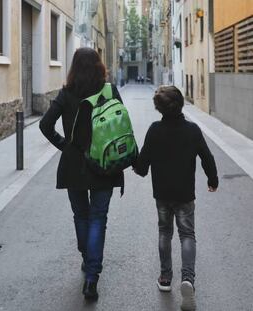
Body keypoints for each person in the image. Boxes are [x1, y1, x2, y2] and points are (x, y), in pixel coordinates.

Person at [39, 47, 124, 301]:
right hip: (104, 163)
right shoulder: (109, 91)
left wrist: (65, 145)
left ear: (74, 68)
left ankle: (87, 259)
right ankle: (91, 279)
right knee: (99, 218)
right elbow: (120, 126)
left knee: (81, 215)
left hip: (74, 164)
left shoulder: (67, 94)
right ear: (99, 66)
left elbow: (45, 125)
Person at [134, 85, 219, 311]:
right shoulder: (192, 130)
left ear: (158, 108)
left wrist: (133, 159)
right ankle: (188, 279)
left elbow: (142, 168)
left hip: (162, 194)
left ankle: (165, 278)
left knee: (164, 232)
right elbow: (207, 157)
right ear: (180, 103)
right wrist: (213, 179)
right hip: (184, 194)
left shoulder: (154, 130)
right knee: (187, 234)